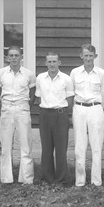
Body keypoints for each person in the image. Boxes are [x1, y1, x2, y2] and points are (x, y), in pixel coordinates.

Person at [0, 45, 35, 185]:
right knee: (6, 145)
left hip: (22, 109)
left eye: (16, 55)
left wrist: (25, 108)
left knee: (25, 145)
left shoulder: (29, 74)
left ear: (21, 57)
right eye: (11, 55)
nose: (14, 58)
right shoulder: (0, 73)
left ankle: (26, 178)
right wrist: (5, 107)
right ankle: (6, 178)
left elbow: (32, 95)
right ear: (7, 58)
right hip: (7, 109)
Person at [70, 44, 104, 187]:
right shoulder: (75, 73)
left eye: (91, 56)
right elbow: (71, 92)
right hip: (79, 109)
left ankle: (96, 181)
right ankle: (80, 181)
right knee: (80, 145)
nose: (88, 58)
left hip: (96, 109)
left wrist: (97, 107)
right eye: (85, 55)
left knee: (96, 145)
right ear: (81, 56)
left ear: (95, 57)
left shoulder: (101, 73)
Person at [35, 51, 74, 186]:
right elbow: (39, 97)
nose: (52, 64)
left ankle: (62, 179)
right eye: (49, 62)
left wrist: (60, 112)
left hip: (60, 114)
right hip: (45, 114)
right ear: (46, 63)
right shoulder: (40, 78)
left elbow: (70, 99)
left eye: (54, 61)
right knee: (46, 148)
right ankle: (48, 178)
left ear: (59, 63)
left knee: (61, 148)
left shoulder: (66, 79)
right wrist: (48, 109)